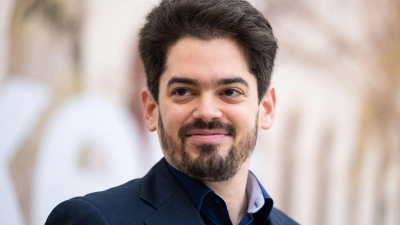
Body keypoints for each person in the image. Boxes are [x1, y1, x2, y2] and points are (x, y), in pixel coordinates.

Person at [46, 0, 299, 224]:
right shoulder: (91, 220)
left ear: (266, 108)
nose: (207, 112)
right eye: (183, 91)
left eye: (230, 92)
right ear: (151, 108)